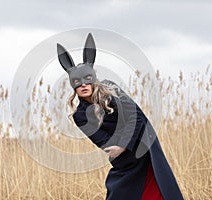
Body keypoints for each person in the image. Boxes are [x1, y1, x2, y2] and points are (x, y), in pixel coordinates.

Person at [57, 33, 184, 200]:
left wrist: (123, 143)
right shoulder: (80, 116)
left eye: (87, 79)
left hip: (142, 144)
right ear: (73, 85)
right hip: (124, 159)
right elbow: (104, 141)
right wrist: (119, 148)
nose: (83, 85)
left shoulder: (111, 89)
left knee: (158, 189)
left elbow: (136, 116)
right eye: (77, 82)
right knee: (119, 193)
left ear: (94, 78)